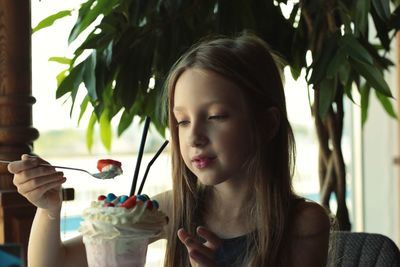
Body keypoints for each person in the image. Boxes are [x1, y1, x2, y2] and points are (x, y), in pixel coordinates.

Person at [9, 32, 331, 267]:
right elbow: (55, 263)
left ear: (267, 124)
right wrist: (49, 208)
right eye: (182, 121)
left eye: (216, 116)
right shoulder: (174, 209)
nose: (194, 137)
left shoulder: (302, 224)